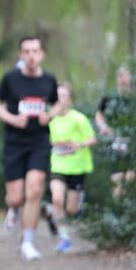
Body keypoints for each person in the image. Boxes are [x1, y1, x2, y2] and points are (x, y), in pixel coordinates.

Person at [0, 36, 60, 261]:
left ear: (42, 54)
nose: (31, 56)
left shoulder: (49, 80)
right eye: (26, 51)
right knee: (16, 198)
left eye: (35, 51)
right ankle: (13, 208)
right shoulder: (11, 79)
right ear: (21, 55)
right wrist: (11, 119)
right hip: (14, 143)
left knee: (35, 189)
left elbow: (58, 103)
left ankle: (27, 242)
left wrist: (49, 115)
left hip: (39, 141)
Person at [48, 84, 96, 252]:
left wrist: (79, 144)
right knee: (57, 199)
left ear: (70, 100)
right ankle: (64, 239)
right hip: (58, 165)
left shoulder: (79, 118)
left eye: (64, 95)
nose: (60, 98)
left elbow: (92, 139)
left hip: (77, 167)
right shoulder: (50, 118)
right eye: (57, 95)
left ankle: (54, 211)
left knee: (71, 209)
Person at [95, 65, 134, 198]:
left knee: (130, 178)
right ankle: (118, 211)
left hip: (133, 143)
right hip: (116, 142)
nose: (123, 79)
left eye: (125, 76)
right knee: (117, 179)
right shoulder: (109, 97)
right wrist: (103, 127)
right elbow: (99, 114)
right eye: (120, 76)